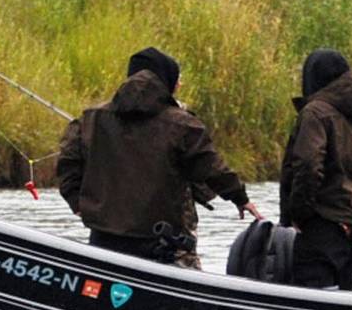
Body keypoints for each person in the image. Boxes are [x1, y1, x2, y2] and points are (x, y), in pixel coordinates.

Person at [56, 46, 258, 269]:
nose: (179, 85)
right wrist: (240, 197)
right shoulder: (182, 124)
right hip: (163, 243)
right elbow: (210, 166)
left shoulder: (90, 119)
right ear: (166, 81)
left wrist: (78, 204)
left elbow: (67, 165)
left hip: (103, 240)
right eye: (177, 79)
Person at [277, 48, 352, 290]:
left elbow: (308, 167)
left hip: (319, 229)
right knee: (342, 307)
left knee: (309, 307)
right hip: (350, 229)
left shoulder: (315, 113)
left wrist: (299, 214)